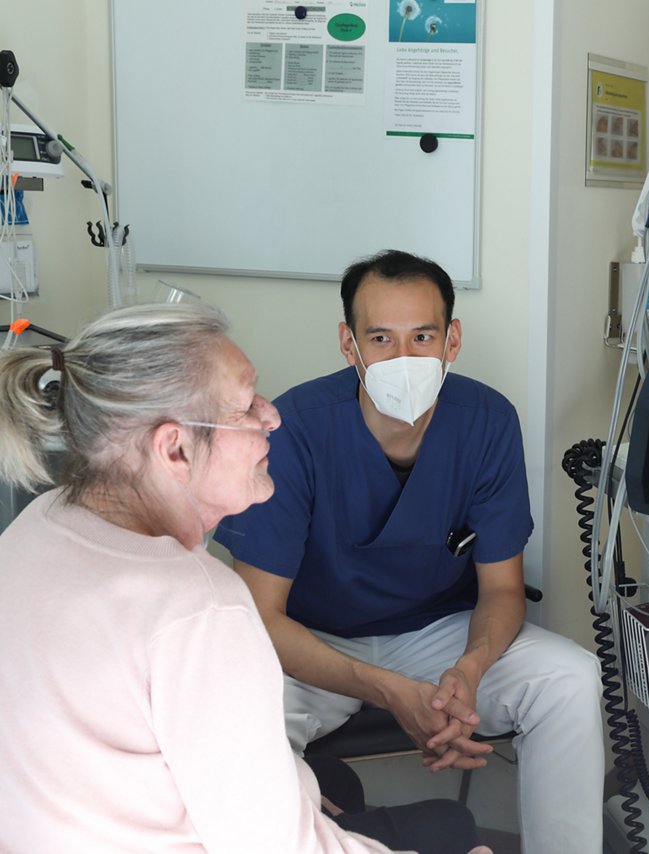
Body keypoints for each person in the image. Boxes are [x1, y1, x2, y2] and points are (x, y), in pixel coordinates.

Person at [0, 302, 489, 853]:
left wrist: (294, 791)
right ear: (176, 448)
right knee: (450, 829)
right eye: (246, 406)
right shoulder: (201, 608)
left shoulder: (36, 526)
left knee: (333, 782)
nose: (272, 417)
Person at [215, 250, 605, 853]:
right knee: (228, 727)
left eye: (422, 336)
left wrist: (469, 671)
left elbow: (501, 588)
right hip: (313, 644)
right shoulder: (296, 426)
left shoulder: (487, 421)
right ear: (350, 345)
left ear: (452, 340)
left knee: (571, 678)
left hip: (437, 636)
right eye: (381, 338)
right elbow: (260, 617)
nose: (404, 358)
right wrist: (386, 688)